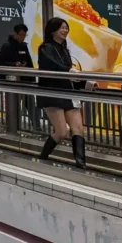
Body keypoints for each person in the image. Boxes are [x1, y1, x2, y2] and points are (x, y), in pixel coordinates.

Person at [37, 17, 87, 168]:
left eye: (66, 28)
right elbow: (53, 65)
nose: (65, 31)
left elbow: (70, 72)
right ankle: (43, 157)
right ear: (53, 30)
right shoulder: (45, 48)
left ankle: (81, 162)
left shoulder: (65, 50)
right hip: (52, 92)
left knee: (78, 128)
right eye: (62, 28)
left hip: (67, 91)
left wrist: (86, 82)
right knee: (60, 132)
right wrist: (69, 71)